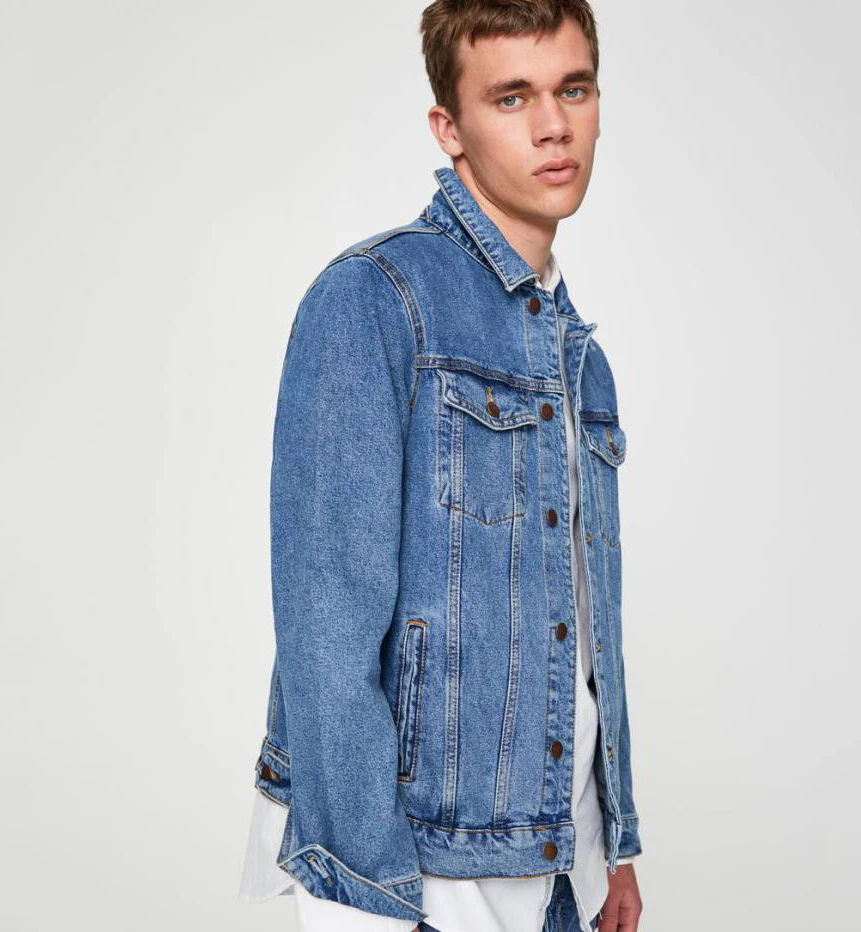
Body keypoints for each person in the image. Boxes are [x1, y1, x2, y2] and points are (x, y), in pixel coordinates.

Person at [238, 2, 643, 929]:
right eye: (512, 97)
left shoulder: (580, 356)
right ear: (448, 127)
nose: (553, 125)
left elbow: (584, 629)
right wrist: (367, 885)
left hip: (560, 862)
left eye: (574, 89)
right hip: (421, 868)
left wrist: (610, 848)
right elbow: (326, 629)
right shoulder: (375, 299)